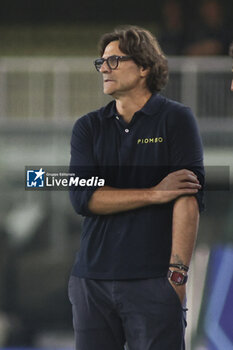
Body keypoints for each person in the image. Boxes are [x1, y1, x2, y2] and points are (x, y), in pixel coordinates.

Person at [68, 25, 205, 350]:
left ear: (144, 67)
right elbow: (83, 198)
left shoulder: (176, 119)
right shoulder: (88, 126)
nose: (104, 68)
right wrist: (156, 192)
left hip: (154, 281)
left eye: (114, 61)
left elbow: (188, 198)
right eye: (101, 62)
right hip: (91, 281)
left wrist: (177, 275)